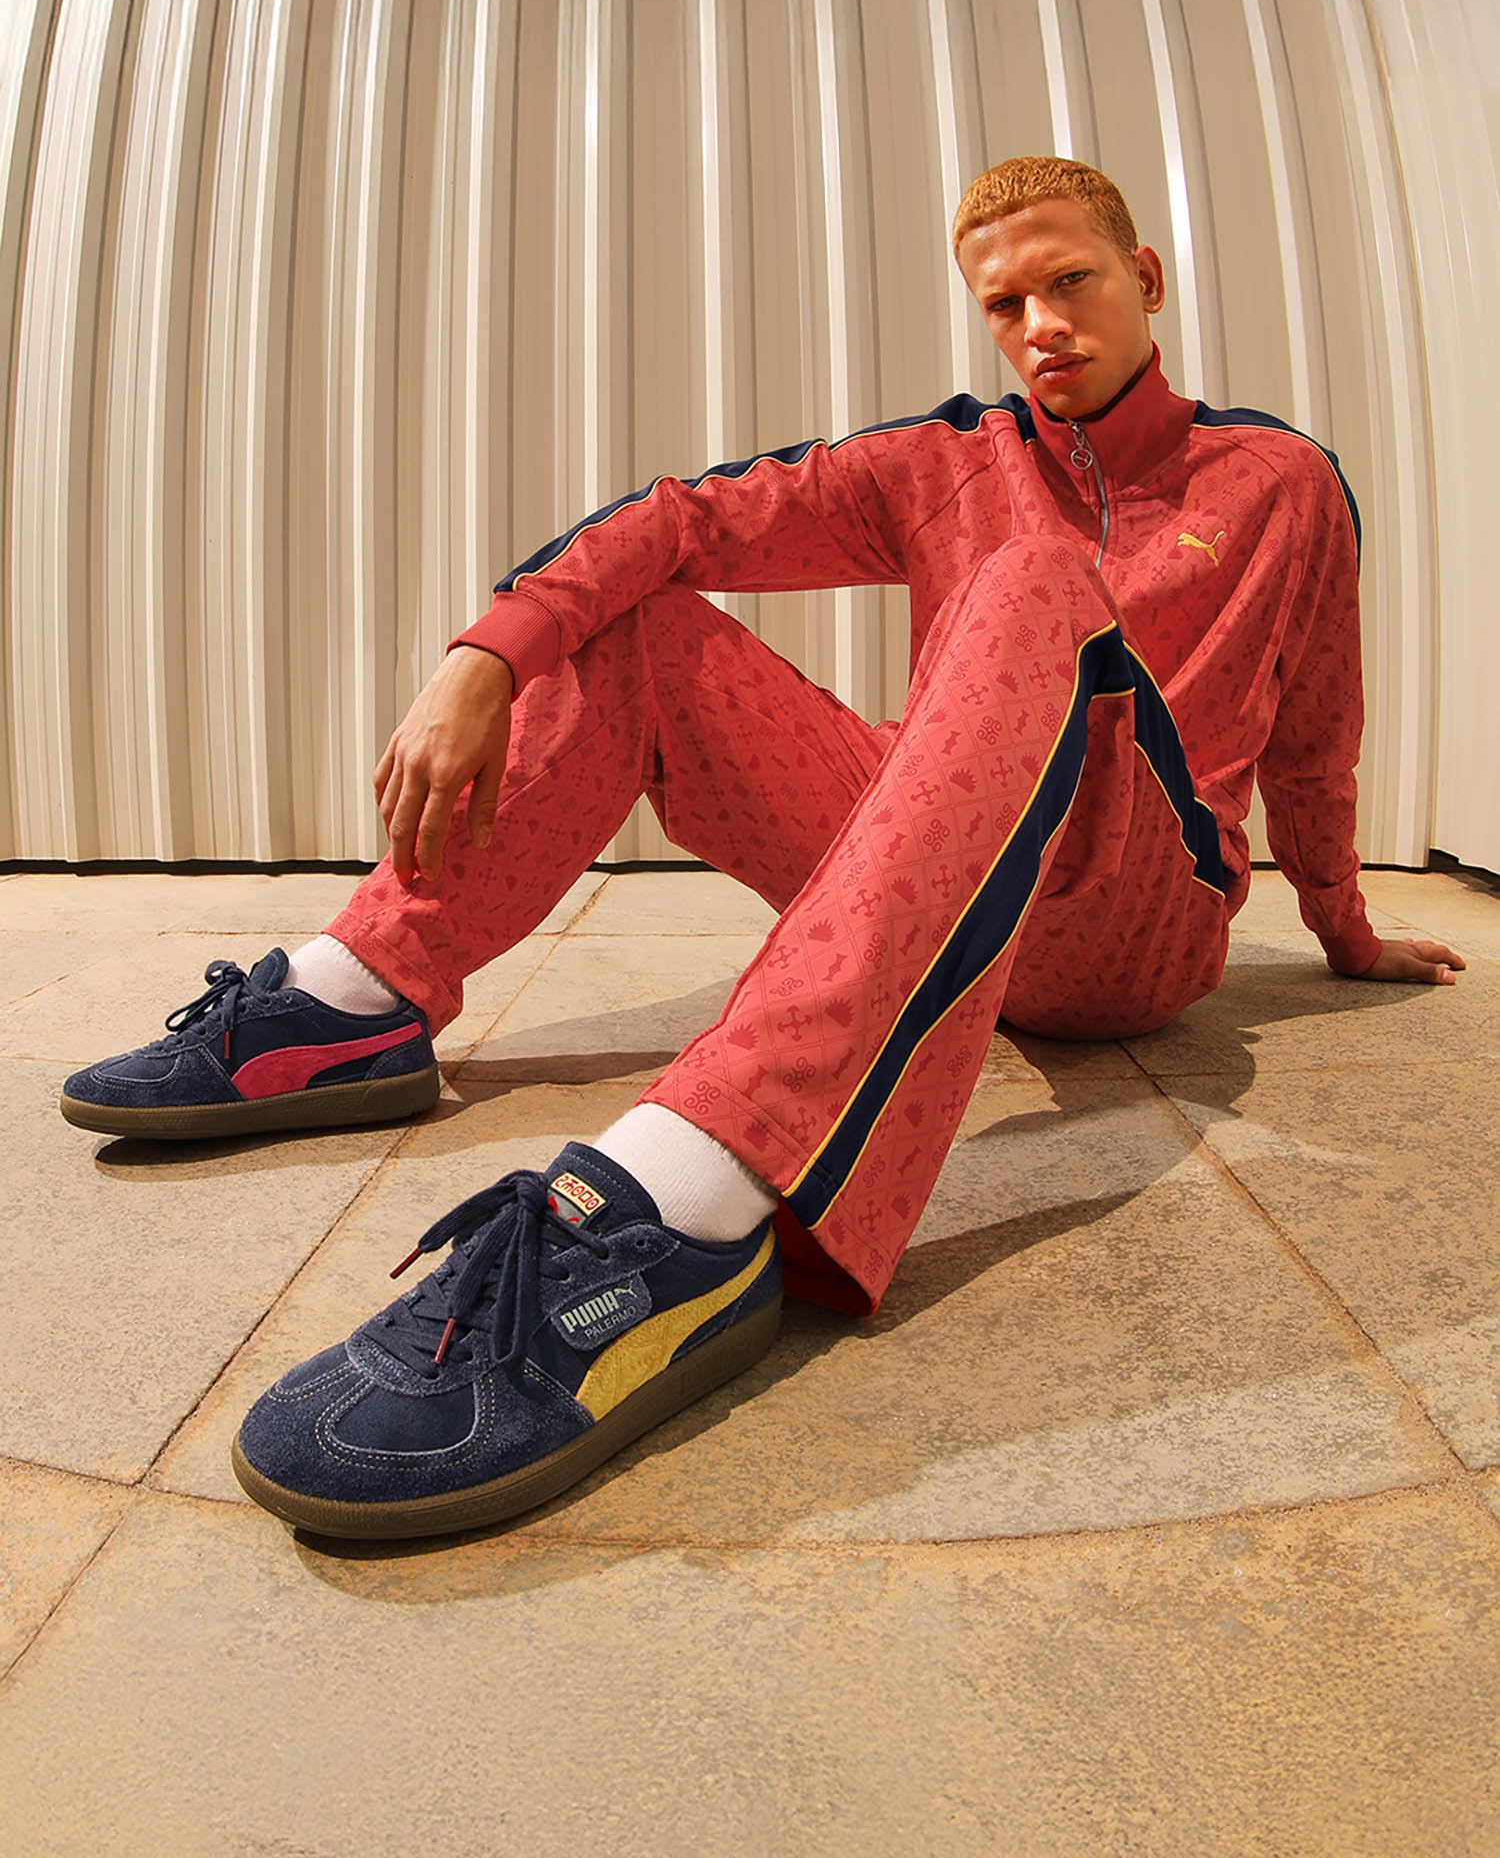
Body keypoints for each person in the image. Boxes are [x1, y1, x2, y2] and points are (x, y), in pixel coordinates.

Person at [61, 157, 1463, 1540]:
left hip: (1130, 919)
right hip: (960, 880)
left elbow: (1317, 728)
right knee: (642, 623)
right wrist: (490, 650)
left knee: (1038, 578)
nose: (1042, 326)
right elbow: (685, 518)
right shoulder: (948, 461)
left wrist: (1341, 926)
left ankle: (688, 1202)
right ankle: (356, 1000)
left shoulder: (1279, 481)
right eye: (1004, 303)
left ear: (1144, 279)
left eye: (1072, 282)